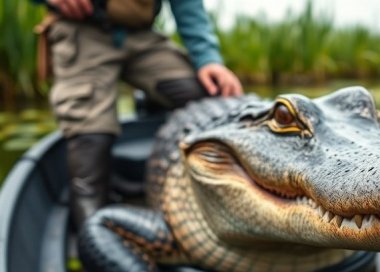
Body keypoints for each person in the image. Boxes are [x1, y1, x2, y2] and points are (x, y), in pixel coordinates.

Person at [34, 0, 243, 229]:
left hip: (143, 37)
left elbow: (187, 5)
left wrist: (208, 59)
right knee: (91, 137)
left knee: (207, 96)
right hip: (82, 32)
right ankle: (91, 228)